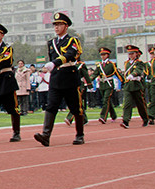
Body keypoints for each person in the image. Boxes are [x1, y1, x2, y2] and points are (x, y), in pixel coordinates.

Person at [33, 12, 85, 146]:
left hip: (69, 76)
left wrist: (55, 63)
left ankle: (80, 135)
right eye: (55, 24)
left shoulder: (72, 41)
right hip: (56, 77)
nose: (56, 27)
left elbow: (71, 54)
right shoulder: (52, 42)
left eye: (59, 24)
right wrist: (54, 65)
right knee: (51, 106)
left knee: (75, 108)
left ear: (66, 26)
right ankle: (46, 135)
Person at [119, 45, 149, 128]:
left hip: (136, 85)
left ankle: (145, 118)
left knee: (140, 104)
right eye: (129, 54)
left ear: (136, 54)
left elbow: (138, 70)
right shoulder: (126, 63)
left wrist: (132, 75)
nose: (130, 55)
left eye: (132, 53)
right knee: (127, 104)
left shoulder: (139, 63)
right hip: (128, 86)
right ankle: (126, 121)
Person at [91, 47, 121, 124]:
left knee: (105, 100)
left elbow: (117, 73)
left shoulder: (111, 64)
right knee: (107, 101)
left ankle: (103, 117)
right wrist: (89, 79)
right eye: (101, 55)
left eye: (104, 55)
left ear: (108, 55)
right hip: (102, 85)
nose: (102, 56)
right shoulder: (99, 65)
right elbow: (95, 74)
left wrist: (123, 80)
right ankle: (113, 115)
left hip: (109, 84)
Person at [65, 59, 92, 126]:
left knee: (76, 101)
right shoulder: (68, 64)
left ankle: (69, 117)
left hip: (79, 85)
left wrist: (89, 84)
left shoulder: (81, 65)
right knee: (78, 103)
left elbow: (86, 75)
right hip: (71, 85)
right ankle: (84, 119)